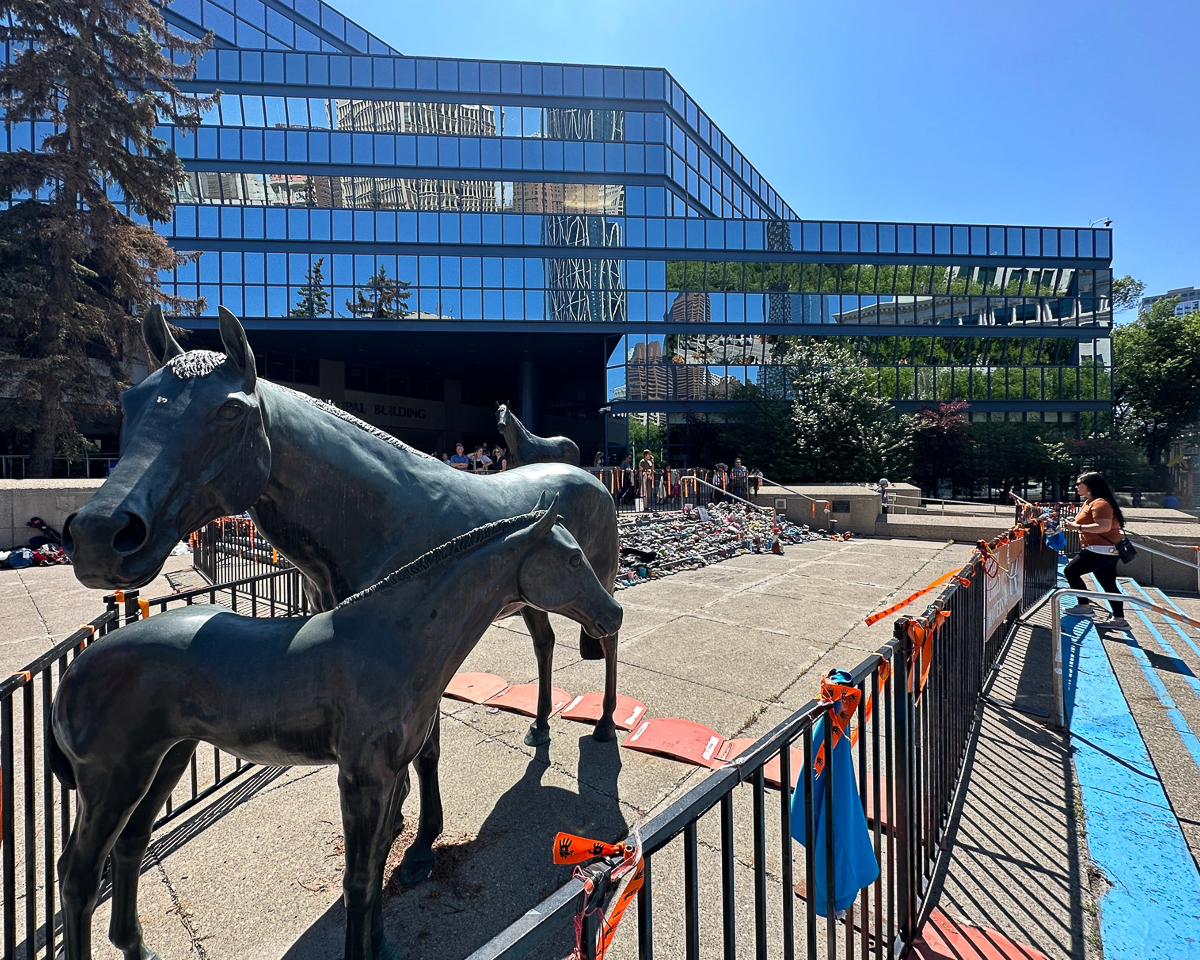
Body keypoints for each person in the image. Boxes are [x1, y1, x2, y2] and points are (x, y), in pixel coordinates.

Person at [1062, 472, 1128, 629]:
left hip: (1100, 549)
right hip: (1104, 550)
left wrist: (1076, 527)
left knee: (1070, 572)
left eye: (1079, 484)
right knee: (1108, 584)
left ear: (1090, 486)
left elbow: (1103, 527)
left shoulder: (1100, 503)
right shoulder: (1090, 502)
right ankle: (1119, 619)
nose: (1076, 487)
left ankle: (1084, 606)